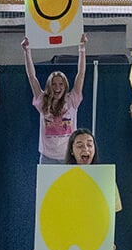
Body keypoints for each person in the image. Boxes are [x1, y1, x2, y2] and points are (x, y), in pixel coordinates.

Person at [23, 34, 87, 164]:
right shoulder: (42, 102)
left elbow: (81, 74)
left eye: (61, 84)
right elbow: (31, 77)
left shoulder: (72, 101)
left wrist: (82, 49)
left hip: (68, 157)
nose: (57, 87)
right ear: (49, 86)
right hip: (47, 158)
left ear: (65, 86)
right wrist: (27, 51)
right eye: (54, 84)